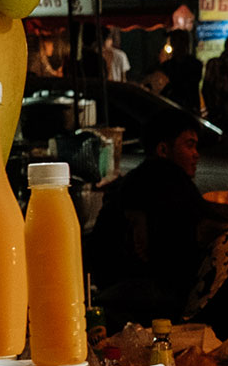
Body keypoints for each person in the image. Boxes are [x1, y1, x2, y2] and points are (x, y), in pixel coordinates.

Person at [88, 108, 210, 327]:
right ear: (163, 149)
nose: (196, 154)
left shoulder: (131, 182)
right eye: (189, 145)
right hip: (147, 299)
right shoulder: (169, 178)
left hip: (112, 292)